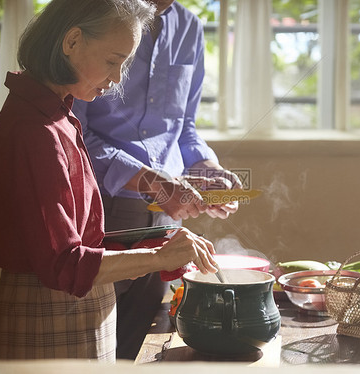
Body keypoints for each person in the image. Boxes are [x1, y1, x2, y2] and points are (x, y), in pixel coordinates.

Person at [0, 0, 218, 362]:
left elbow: (78, 244)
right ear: (72, 41)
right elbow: (66, 265)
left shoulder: (58, 115)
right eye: (113, 61)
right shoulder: (35, 132)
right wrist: (158, 256)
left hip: (70, 316)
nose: (118, 77)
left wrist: (160, 245)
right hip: (49, 322)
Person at [72, 0, 242, 360]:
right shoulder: (93, 15)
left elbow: (184, 129)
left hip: (166, 215)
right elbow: (75, 134)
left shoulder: (189, 27)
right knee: (94, 342)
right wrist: (151, 182)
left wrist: (207, 168)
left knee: (142, 338)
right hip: (103, 209)